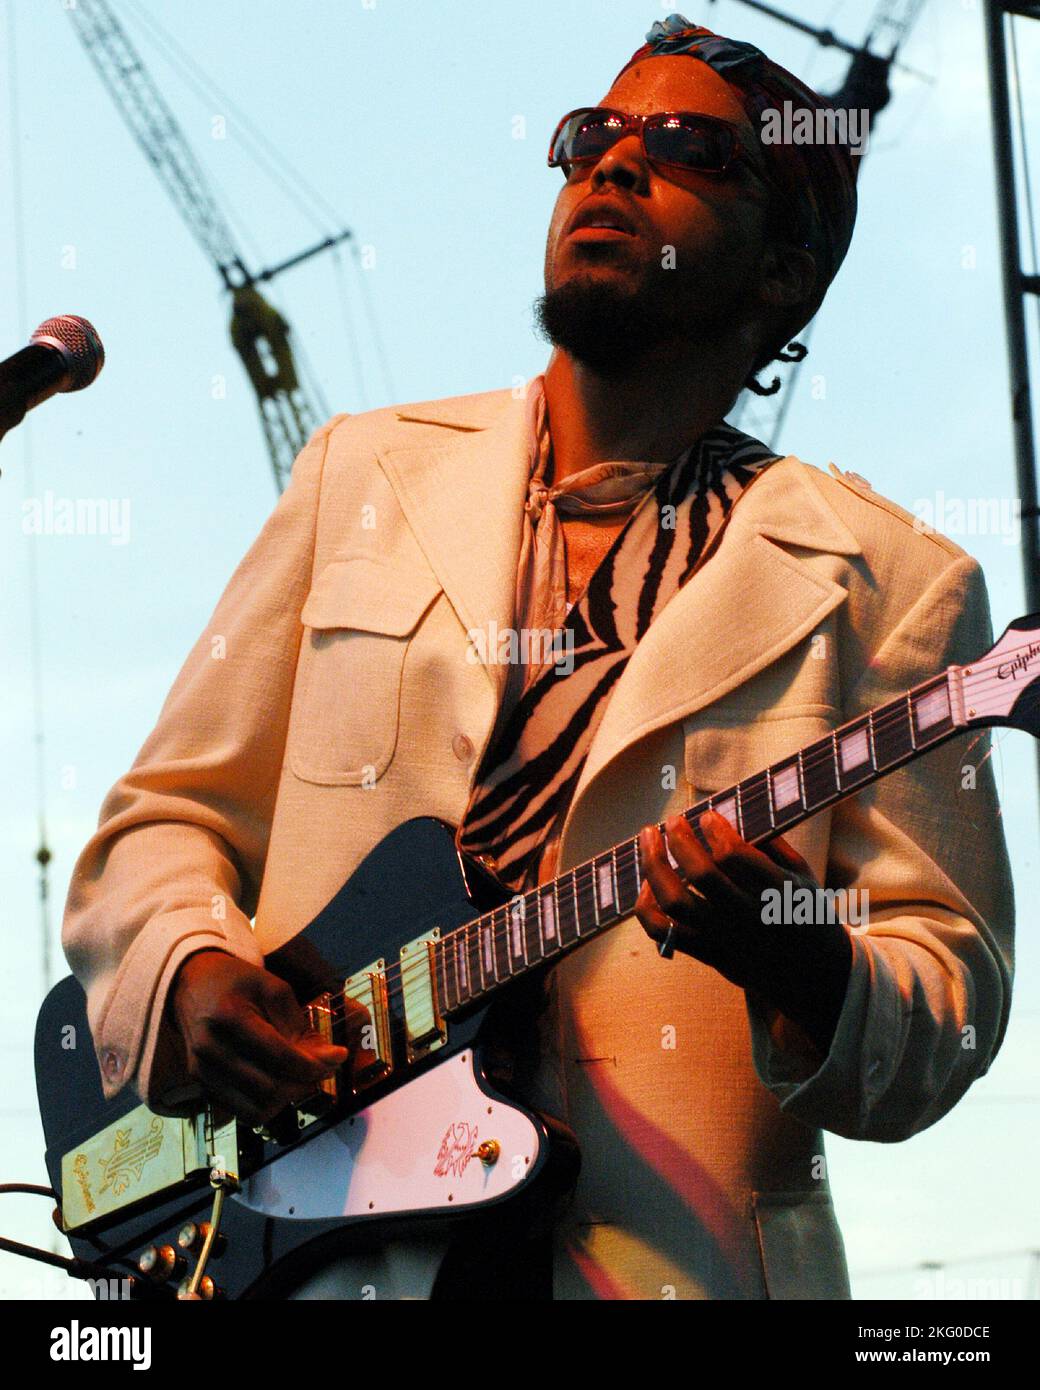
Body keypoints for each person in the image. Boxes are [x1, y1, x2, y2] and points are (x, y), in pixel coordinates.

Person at [61, 16, 1015, 1300]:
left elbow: (946, 992)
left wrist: (799, 956)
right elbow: (162, 821)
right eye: (591, 136)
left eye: (687, 150)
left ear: (786, 273)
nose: (613, 167)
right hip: (308, 1256)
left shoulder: (895, 585)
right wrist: (188, 965)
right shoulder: (363, 471)